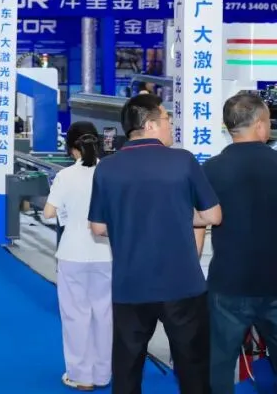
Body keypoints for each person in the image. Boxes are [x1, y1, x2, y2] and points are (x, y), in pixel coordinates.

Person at [88, 93, 222, 394]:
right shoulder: (183, 161)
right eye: (166, 118)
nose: (170, 124)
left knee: (126, 371)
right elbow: (213, 215)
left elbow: (98, 227)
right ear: (149, 124)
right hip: (182, 285)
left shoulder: (107, 167)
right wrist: (178, 214)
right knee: (194, 371)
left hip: (130, 285)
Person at [202, 92, 277, 394]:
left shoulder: (211, 169)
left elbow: (197, 218)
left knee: (219, 364)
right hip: (274, 279)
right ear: (259, 124)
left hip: (228, 282)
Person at [42, 122, 112, 391]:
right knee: (104, 314)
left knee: (75, 315)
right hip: (106, 252)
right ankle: (103, 373)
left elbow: (49, 213)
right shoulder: (109, 173)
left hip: (72, 252)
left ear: (72, 148)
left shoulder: (66, 176)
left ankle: (81, 375)